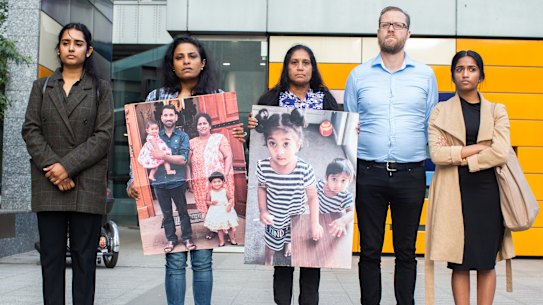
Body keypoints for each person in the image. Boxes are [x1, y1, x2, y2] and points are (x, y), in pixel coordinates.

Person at [126, 35, 242, 305]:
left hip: (209, 179)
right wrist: (134, 179)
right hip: (167, 182)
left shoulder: (215, 96)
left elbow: (229, 144)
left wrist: (240, 137)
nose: (186, 61)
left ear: (202, 63)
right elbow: (139, 146)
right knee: (175, 262)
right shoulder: (156, 98)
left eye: (192, 56)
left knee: (202, 263)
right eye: (179, 57)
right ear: (172, 64)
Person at [343, 6, 438, 305]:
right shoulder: (358, 76)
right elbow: (349, 125)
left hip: (411, 174)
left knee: (406, 250)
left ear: (408, 33)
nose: (391, 30)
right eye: (386, 24)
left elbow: (430, 125)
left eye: (398, 25)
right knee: (369, 249)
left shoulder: (425, 75)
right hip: (368, 173)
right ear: (378, 31)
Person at [234, 44, 339, 305]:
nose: (300, 67)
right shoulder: (270, 99)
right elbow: (255, 147)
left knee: (310, 267)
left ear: (312, 67)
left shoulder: (326, 100)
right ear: (286, 67)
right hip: (277, 206)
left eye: (305, 62)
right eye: (294, 62)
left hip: (301, 205)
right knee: (282, 266)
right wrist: (250, 129)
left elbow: (337, 136)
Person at [22, 23, 114, 305]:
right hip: (49, 183)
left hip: (86, 184)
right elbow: (31, 130)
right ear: (59, 48)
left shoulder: (101, 89)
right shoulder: (43, 86)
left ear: (89, 51)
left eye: (77, 43)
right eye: (65, 42)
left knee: (85, 260)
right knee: (51, 259)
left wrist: (67, 167)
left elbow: (103, 136)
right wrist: (55, 168)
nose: (71, 47)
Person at [425, 50, 514, 305]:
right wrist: (476, 148)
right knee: (460, 262)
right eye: (460, 69)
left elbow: (501, 152)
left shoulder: (497, 111)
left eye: (472, 69)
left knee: (486, 261)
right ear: (452, 75)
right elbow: (437, 154)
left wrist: (463, 156)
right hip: (455, 191)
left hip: (488, 193)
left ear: (481, 75)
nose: (465, 74)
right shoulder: (440, 112)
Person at [255, 108, 322, 265]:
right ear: (266, 144)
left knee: (290, 235)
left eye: (286, 143)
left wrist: (314, 223)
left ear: (298, 145)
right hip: (274, 216)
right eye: (273, 143)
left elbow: (312, 197)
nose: (279, 151)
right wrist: (263, 210)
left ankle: (288, 243)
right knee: (271, 244)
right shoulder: (263, 166)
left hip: (296, 214)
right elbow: (261, 188)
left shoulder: (305, 169)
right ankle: (269, 257)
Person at [151, 104, 194, 254]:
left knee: (183, 211)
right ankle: (171, 239)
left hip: (177, 181)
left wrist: (163, 156)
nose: (168, 118)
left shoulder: (183, 136)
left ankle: (187, 238)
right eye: (165, 115)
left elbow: (183, 159)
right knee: (166, 213)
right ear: (161, 118)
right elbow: (149, 156)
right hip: (159, 181)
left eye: (171, 115)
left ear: (176, 117)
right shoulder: (155, 137)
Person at [188, 112, 234, 240]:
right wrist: (189, 179)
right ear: (196, 127)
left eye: (204, 123)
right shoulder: (191, 143)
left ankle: (228, 230)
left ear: (209, 125)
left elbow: (228, 156)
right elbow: (187, 163)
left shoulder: (219, 138)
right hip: (201, 181)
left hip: (219, 180)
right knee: (207, 205)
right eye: (199, 124)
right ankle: (212, 229)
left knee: (222, 203)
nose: (202, 126)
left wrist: (224, 175)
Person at [317, 158, 355, 238]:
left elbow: (352, 213)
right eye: (334, 179)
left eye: (343, 181)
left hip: (335, 224)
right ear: (326, 178)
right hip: (319, 218)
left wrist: (343, 221)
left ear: (350, 181)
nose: (338, 185)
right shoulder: (320, 185)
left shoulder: (345, 196)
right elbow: (312, 198)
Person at [203, 171, 239, 247]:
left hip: (226, 210)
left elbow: (230, 199)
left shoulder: (225, 190)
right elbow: (207, 201)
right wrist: (211, 203)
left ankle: (232, 239)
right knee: (219, 228)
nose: (217, 184)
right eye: (214, 182)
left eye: (219, 181)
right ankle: (221, 241)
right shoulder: (210, 192)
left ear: (223, 182)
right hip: (216, 211)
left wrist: (229, 205)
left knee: (229, 226)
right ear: (211, 183)